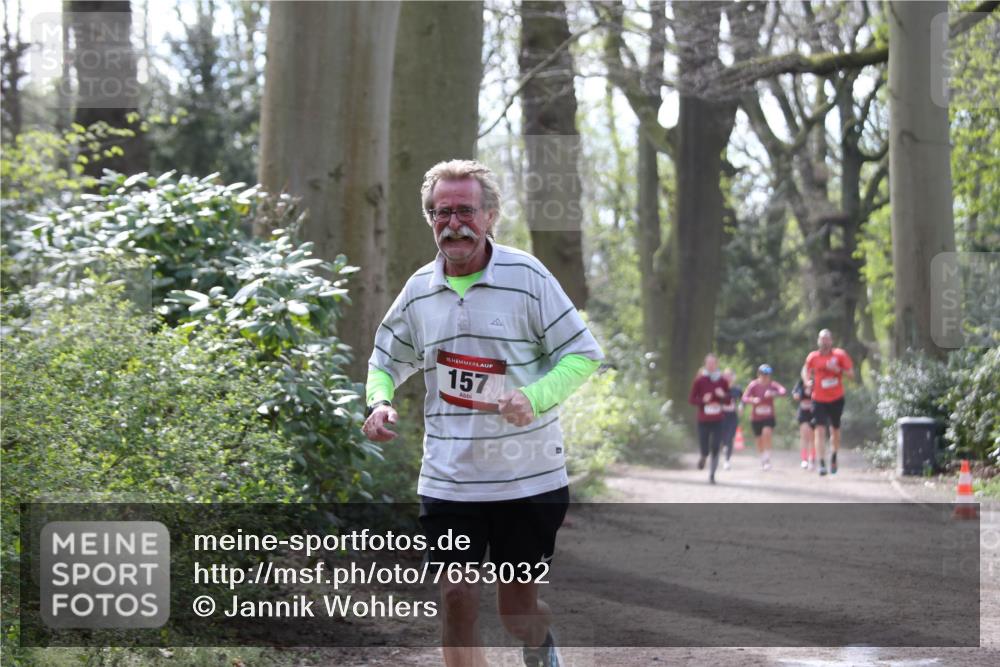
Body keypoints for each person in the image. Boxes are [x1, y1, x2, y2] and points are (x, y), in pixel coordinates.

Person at [362, 160, 603, 667]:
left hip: (527, 480)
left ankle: (538, 644)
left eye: (465, 211)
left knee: (518, 612)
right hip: (450, 480)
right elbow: (384, 360)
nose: (454, 223)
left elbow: (583, 354)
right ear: (430, 219)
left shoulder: (528, 276)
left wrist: (533, 397)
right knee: (456, 598)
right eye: (442, 212)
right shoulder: (418, 292)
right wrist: (379, 401)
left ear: (490, 215)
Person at [801, 329, 855, 476]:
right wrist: (807, 381)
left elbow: (851, 375)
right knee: (819, 430)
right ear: (818, 341)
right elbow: (805, 370)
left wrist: (838, 369)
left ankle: (834, 456)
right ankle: (822, 463)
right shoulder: (813, 356)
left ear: (831, 341)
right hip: (818, 398)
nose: (824, 341)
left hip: (836, 398)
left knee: (835, 431)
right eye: (822, 339)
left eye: (827, 339)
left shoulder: (840, 355)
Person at [688, 354, 731, 484]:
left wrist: (723, 395)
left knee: (716, 446)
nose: (711, 365)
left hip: (718, 419)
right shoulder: (700, 380)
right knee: (704, 448)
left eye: (713, 363)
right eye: (709, 363)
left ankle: (712, 475)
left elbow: (729, 400)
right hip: (703, 420)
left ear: (717, 364)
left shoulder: (723, 381)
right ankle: (703, 457)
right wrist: (703, 400)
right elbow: (691, 400)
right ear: (705, 364)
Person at [741, 364, 787, 470]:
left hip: (769, 416)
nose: (765, 377)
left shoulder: (772, 385)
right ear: (758, 374)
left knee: (767, 433)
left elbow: (783, 391)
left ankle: (767, 458)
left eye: (767, 375)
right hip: (756, 417)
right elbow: (745, 397)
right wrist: (753, 400)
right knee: (759, 439)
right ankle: (762, 457)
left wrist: (773, 393)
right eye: (763, 374)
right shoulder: (753, 385)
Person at [720, 368, 743, 470]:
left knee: (730, 438)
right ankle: (724, 447)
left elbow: (743, 399)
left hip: (732, 416)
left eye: (729, 376)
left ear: (733, 377)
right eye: (725, 376)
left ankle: (727, 461)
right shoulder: (719, 388)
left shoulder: (737, 389)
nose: (727, 378)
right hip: (720, 416)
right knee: (723, 438)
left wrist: (741, 406)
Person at [791, 378, 816, 469]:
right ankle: (804, 459)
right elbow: (795, 395)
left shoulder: (817, 381)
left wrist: (812, 388)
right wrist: (800, 392)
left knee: (812, 436)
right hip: (803, 413)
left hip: (814, 413)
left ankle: (812, 458)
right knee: (804, 434)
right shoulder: (800, 383)